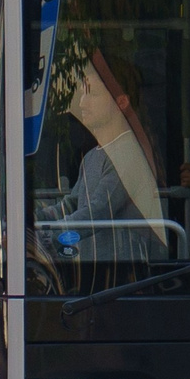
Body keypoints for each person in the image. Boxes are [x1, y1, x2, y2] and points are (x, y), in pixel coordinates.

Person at [37, 45, 167, 263]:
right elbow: (73, 203)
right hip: (98, 275)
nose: (81, 102)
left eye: (92, 94)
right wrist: (38, 217)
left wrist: (52, 236)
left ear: (121, 101)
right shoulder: (92, 155)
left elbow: (96, 213)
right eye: (82, 92)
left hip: (124, 279)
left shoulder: (127, 153)